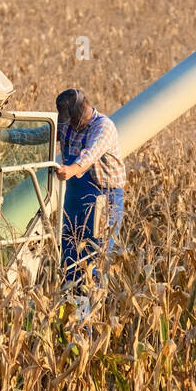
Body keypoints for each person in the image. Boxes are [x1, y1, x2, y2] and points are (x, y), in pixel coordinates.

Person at [54, 88, 125, 281]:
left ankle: (90, 307)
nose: (70, 126)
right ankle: (70, 302)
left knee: (95, 258)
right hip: (74, 200)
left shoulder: (103, 127)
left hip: (104, 199)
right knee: (68, 255)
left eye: (73, 122)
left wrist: (71, 170)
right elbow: (40, 134)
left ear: (84, 110)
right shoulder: (66, 124)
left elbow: (90, 154)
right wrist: (4, 133)